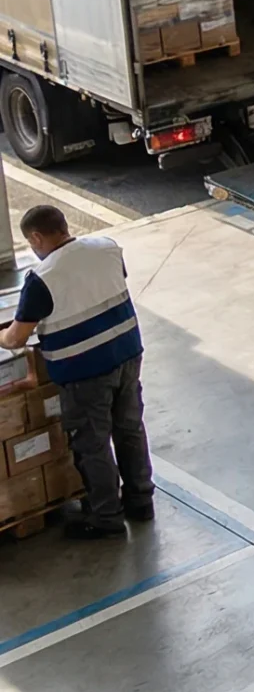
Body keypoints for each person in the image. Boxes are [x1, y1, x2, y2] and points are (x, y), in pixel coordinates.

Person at [0, 206, 151, 539]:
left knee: (92, 444)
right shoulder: (107, 247)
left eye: (31, 242)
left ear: (37, 237)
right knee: (129, 428)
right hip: (127, 354)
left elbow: (16, 338)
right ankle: (141, 500)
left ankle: (105, 516)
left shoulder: (43, 278)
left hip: (86, 373)